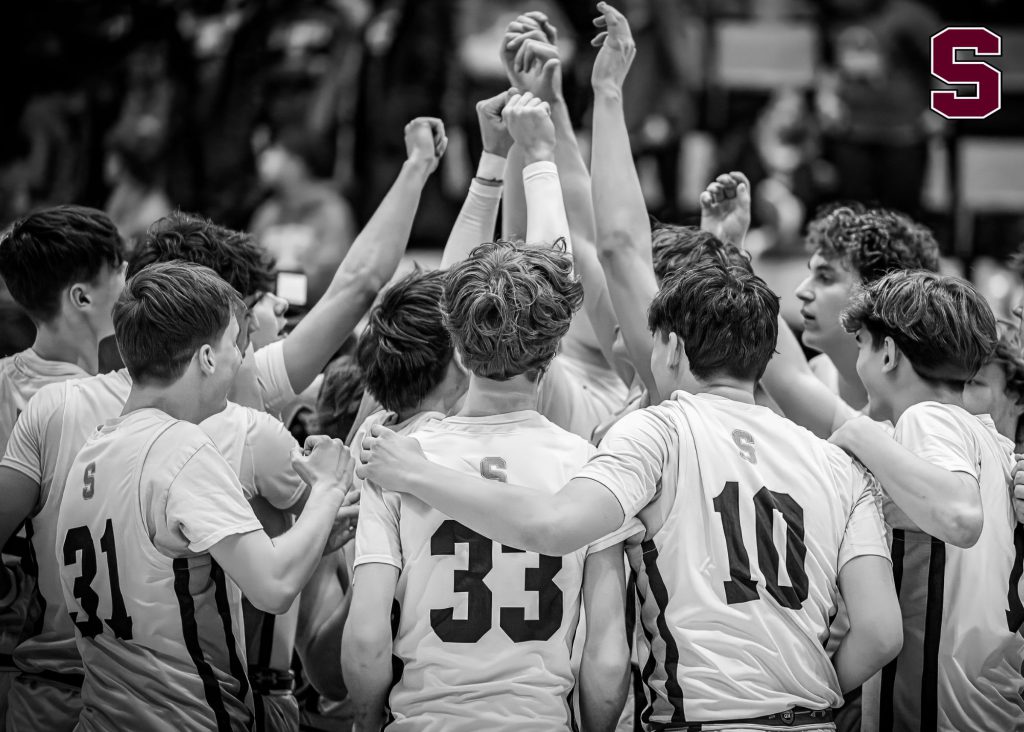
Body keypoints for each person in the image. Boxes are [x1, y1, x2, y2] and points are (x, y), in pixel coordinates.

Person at [357, 257, 902, 729]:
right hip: (812, 719)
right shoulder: (837, 462)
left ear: (671, 347)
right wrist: (806, 691)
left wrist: (416, 473)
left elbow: (552, 524)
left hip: (695, 715)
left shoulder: (653, 434)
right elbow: (880, 633)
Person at [345, 236, 638, 732]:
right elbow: (607, 656)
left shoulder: (395, 459)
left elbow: (366, 639)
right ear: (553, 352)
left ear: (457, 349)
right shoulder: (588, 467)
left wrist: (368, 725)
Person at [53, 262, 349, 731]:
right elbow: (273, 588)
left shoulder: (91, 452)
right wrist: (329, 488)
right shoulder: (181, 447)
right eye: (236, 343)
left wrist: (313, 535)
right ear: (208, 357)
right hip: (185, 717)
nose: (239, 360)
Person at [827, 271, 1024, 730]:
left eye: (861, 345)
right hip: (989, 705)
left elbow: (960, 517)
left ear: (889, 353)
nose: (859, 362)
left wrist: (857, 433)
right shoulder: (990, 442)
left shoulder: (927, 419)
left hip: (937, 715)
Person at [0, 206, 125, 724]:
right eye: (120, 269)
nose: (131, 281)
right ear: (82, 296)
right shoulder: (116, 402)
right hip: (46, 672)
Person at [791, 204, 940, 409]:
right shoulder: (817, 372)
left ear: (879, 294)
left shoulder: (921, 408)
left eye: (825, 277)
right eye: (811, 274)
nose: (801, 290)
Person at [250, 126, 357, 308]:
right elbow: (248, 269)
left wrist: (273, 286)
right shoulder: (267, 212)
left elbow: (328, 276)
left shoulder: (331, 210)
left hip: (318, 316)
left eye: (276, 150)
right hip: (269, 318)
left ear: (298, 162)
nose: (265, 158)